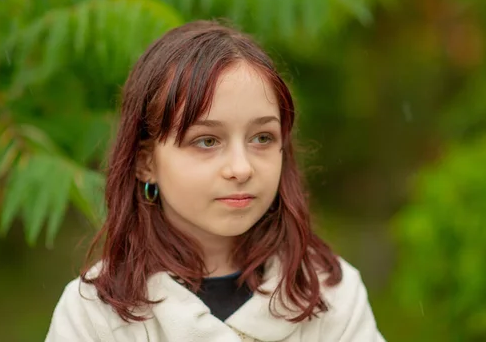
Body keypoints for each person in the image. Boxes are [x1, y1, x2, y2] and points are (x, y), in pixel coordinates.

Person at [45, 20, 385, 342]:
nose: (241, 168)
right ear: (146, 161)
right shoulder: (95, 314)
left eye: (262, 138)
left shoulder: (330, 293)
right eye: (207, 141)